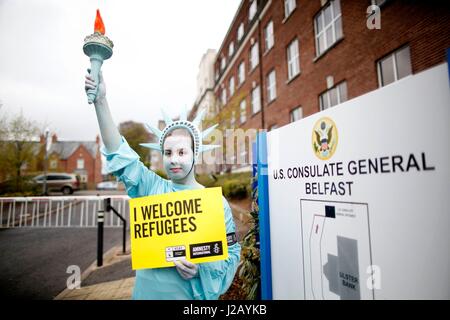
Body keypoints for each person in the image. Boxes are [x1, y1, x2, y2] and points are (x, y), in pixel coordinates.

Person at [84, 70, 241, 300]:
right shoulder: (150, 188)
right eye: (167, 152)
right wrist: (100, 101)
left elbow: (231, 252)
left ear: (195, 154)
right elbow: (119, 152)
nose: (174, 159)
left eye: (181, 152)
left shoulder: (216, 203)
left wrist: (201, 270)